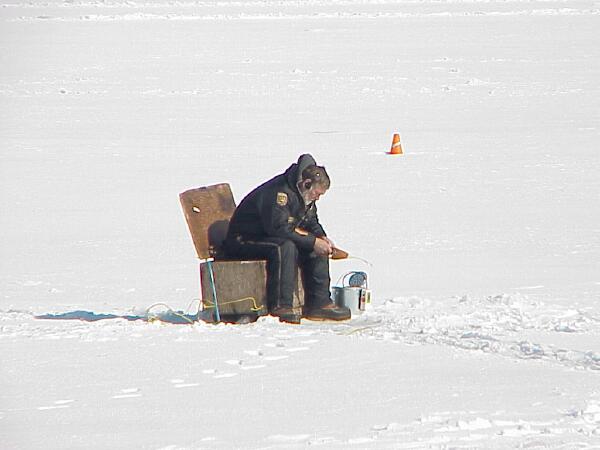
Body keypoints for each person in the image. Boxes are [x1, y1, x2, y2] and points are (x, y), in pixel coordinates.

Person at [223, 154, 351, 324]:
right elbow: (278, 228)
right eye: (316, 194)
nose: (317, 198)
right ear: (306, 184)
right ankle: (281, 306)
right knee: (285, 246)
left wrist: (321, 238)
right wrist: (312, 241)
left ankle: (319, 303)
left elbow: (310, 220)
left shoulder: (304, 194)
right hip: (244, 239)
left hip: (269, 235)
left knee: (315, 246)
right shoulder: (279, 193)